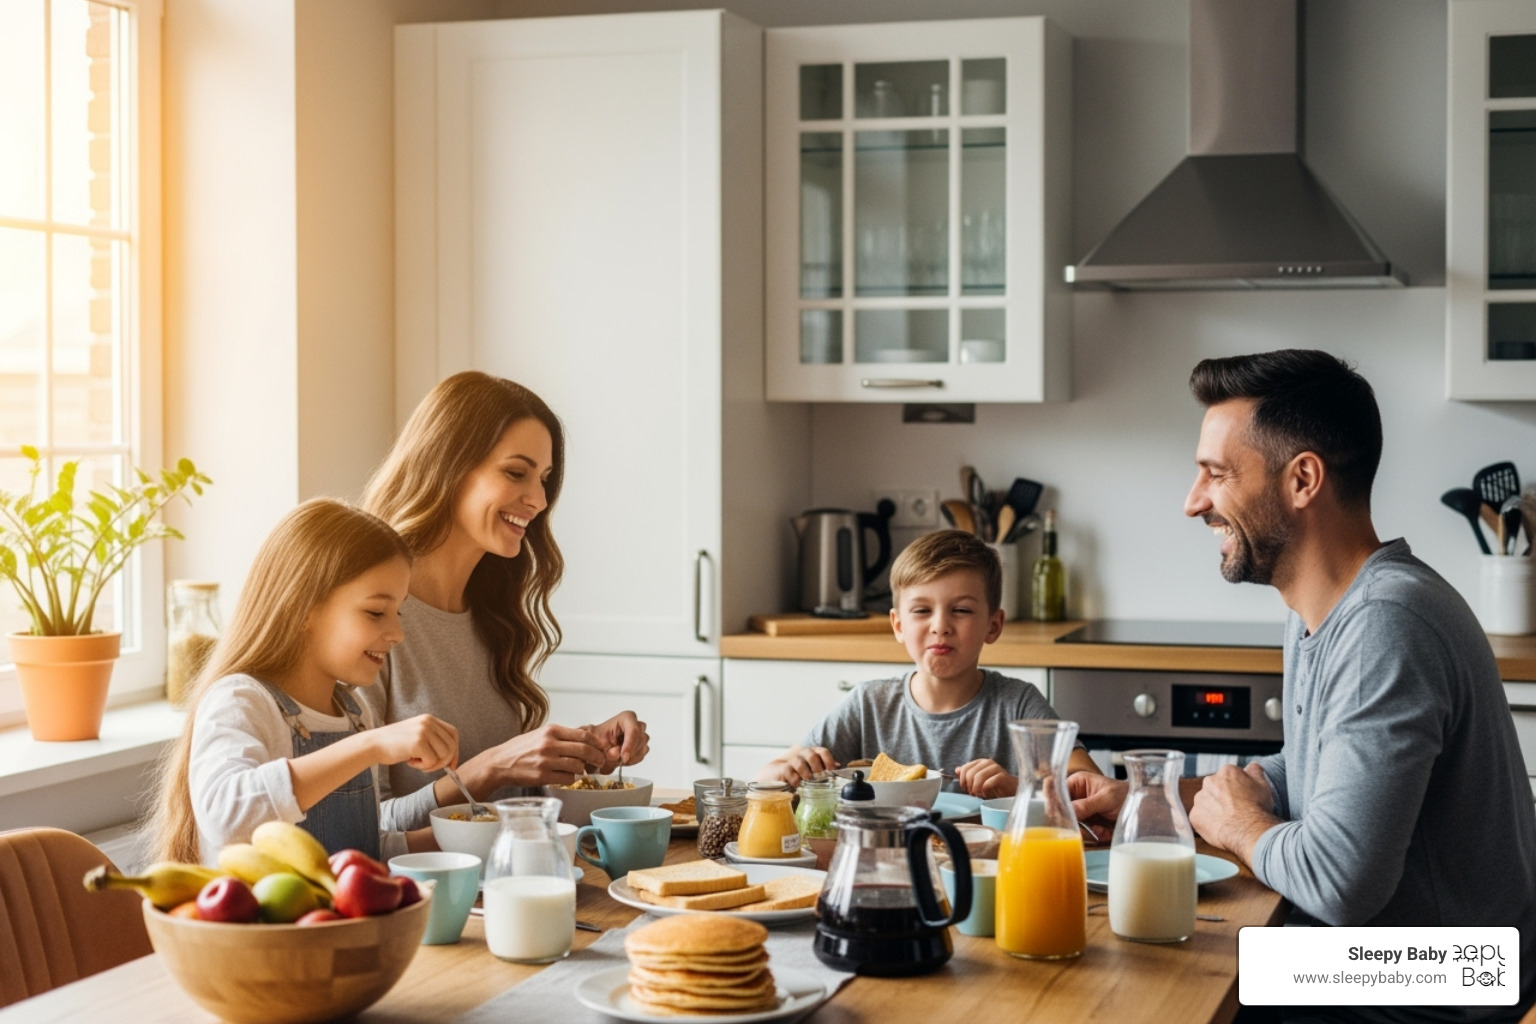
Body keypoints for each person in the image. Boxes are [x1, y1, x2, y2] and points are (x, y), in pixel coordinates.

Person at [1069, 350, 1536, 1024]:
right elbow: (1315, 771)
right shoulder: (1325, 608)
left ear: (1303, 480)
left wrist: (1239, 823)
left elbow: (1341, 882)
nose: (1193, 501)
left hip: (1437, 984)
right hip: (1389, 965)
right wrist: (1151, 801)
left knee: (1152, 982)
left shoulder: (1386, 623)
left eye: (1217, 474)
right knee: (1145, 960)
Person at [358, 371, 650, 831]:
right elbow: (361, 827)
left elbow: (501, 804)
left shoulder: (491, 614)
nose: (537, 499)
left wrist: (580, 749)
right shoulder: (370, 618)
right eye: (516, 473)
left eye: (544, 478)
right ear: (446, 465)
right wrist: (490, 767)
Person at [147, 499, 460, 865]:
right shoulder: (240, 700)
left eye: (398, 612)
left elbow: (359, 855)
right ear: (303, 608)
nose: (397, 633)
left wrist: (466, 838)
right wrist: (370, 745)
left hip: (343, 923)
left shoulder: (354, 713)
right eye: (376, 612)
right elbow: (226, 816)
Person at [759, 529, 1098, 796]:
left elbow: (1088, 784)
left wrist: (1017, 786)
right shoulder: (869, 706)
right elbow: (766, 779)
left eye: (961, 610)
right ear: (898, 625)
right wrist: (791, 769)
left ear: (993, 625)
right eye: (922, 610)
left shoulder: (1018, 704)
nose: (940, 626)